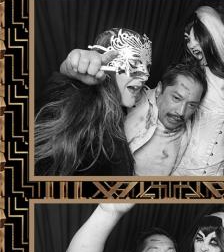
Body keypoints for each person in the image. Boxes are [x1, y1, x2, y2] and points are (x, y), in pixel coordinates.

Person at [58, 40, 209, 177]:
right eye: (176, 98)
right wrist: (69, 69)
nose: (181, 112)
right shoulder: (134, 100)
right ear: (159, 90)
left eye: (192, 105)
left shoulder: (194, 133)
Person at [35, 28, 152, 177]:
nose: (146, 75)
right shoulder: (81, 113)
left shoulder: (117, 110)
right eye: (134, 63)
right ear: (106, 65)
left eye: (148, 67)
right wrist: (67, 72)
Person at [172, 3, 224, 176]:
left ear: (213, 35)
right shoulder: (192, 75)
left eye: (197, 38)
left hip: (219, 173)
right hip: (180, 169)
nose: (191, 45)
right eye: (188, 39)